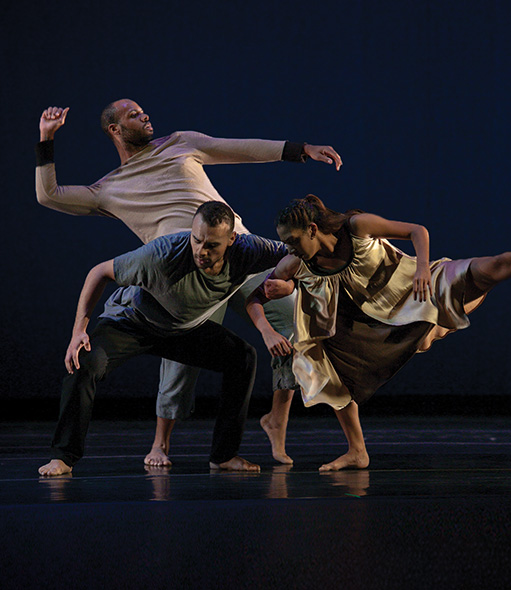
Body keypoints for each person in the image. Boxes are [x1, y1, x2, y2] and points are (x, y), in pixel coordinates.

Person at [36, 101, 342, 466]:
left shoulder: (180, 143)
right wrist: (46, 139)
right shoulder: (109, 189)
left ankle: (274, 422)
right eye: (133, 114)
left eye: (143, 111)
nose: (145, 115)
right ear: (114, 130)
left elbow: (241, 148)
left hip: (237, 256)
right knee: (179, 350)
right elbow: (49, 195)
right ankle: (158, 444)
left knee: (294, 322)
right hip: (178, 272)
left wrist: (301, 151)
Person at [246, 195, 511, 471]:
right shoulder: (294, 262)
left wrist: (423, 269)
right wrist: (265, 330)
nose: (289, 248)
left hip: (420, 288)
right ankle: (357, 451)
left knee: (500, 264)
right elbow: (254, 298)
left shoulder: (356, 227)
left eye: (294, 240)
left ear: (313, 229)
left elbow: (416, 231)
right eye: (287, 243)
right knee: (329, 370)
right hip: (376, 322)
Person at [38, 201, 288, 477]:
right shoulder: (162, 254)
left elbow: (296, 252)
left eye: (212, 245)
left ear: (232, 239)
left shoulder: (249, 250)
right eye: (197, 240)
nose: (201, 251)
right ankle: (63, 457)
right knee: (84, 363)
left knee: (243, 357)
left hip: (183, 330)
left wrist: (287, 282)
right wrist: (78, 331)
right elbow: (99, 272)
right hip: (132, 323)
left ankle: (224, 455)